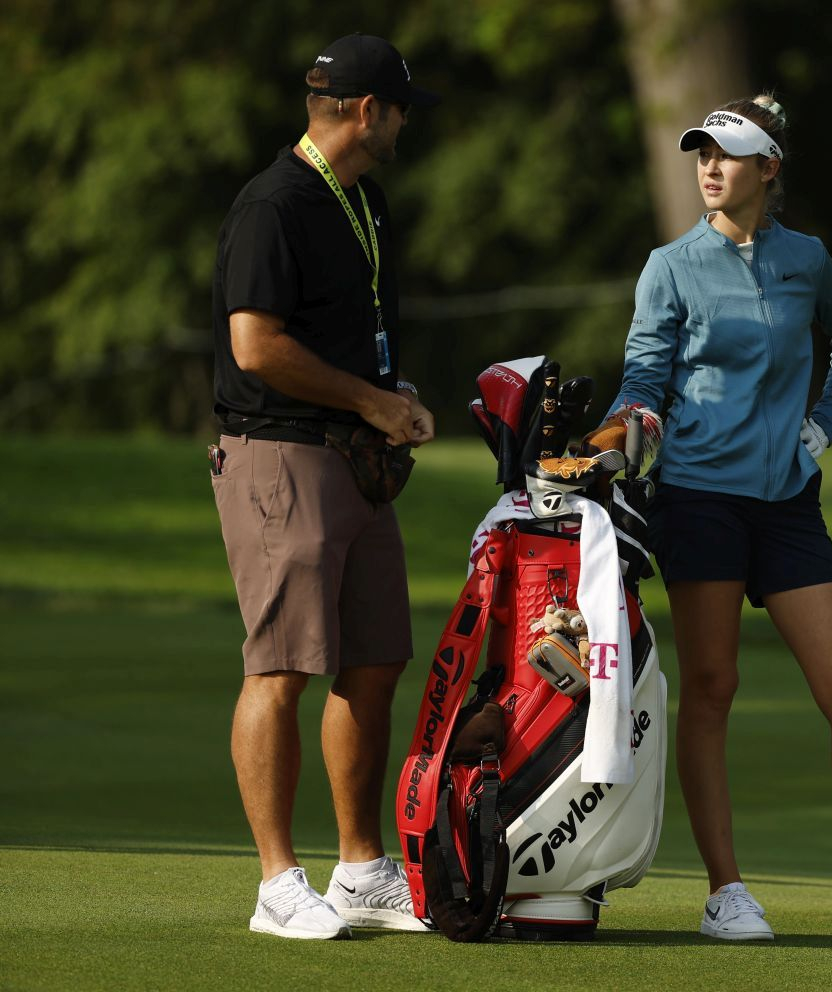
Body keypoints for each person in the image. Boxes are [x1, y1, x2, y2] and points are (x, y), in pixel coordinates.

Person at [602, 95, 832, 948]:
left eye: (727, 155)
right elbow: (643, 375)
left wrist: (820, 425)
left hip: (788, 503)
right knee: (714, 690)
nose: (709, 168)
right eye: (700, 154)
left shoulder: (806, 260)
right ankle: (725, 892)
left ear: (768, 168)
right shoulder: (671, 265)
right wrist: (631, 426)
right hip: (698, 498)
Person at [209, 34, 438, 940]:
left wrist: (396, 396)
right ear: (364, 111)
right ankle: (276, 883)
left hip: (355, 457)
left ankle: (359, 868)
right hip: (280, 455)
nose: (406, 123)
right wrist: (370, 402)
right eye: (401, 108)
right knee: (281, 666)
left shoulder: (362, 201)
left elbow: (351, 330)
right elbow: (255, 347)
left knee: (374, 657)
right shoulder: (274, 204)